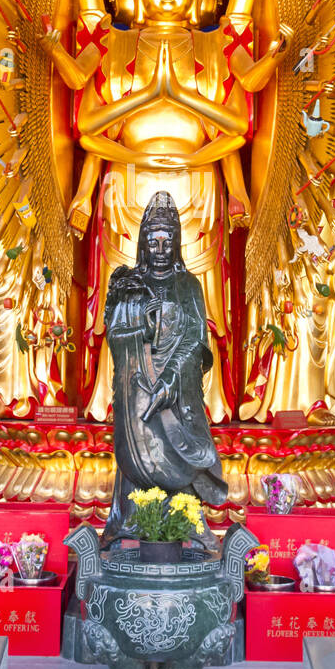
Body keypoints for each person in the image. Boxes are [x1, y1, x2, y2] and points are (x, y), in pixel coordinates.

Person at [102, 190, 226, 550]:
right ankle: (130, 518)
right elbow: (113, 333)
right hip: (136, 389)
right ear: (142, 243)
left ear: (176, 243)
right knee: (136, 453)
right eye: (152, 241)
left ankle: (188, 518)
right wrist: (142, 323)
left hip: (178, 390)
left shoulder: (188, 285)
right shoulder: (126, 283)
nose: (158, 249)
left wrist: (172, 377)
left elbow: (195, 338)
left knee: (183, 449)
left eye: (166, 240)